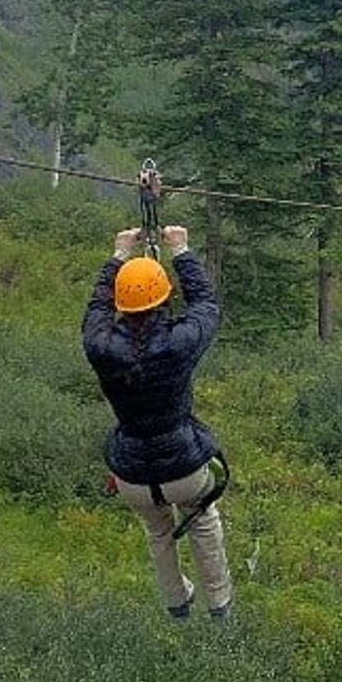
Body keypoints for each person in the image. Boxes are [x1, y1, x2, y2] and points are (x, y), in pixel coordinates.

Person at [82, 224, 233, 621]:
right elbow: (205, 306)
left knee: (157, 531)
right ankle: (219, 606)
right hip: (182, 465)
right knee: (202, 520)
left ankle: (177, 606)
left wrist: (118, 256)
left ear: (122, 304)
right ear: (163, 297)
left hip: (132, 474)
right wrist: (181, 250)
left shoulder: (101, 345)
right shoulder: (179, 342)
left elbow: (96, 311)